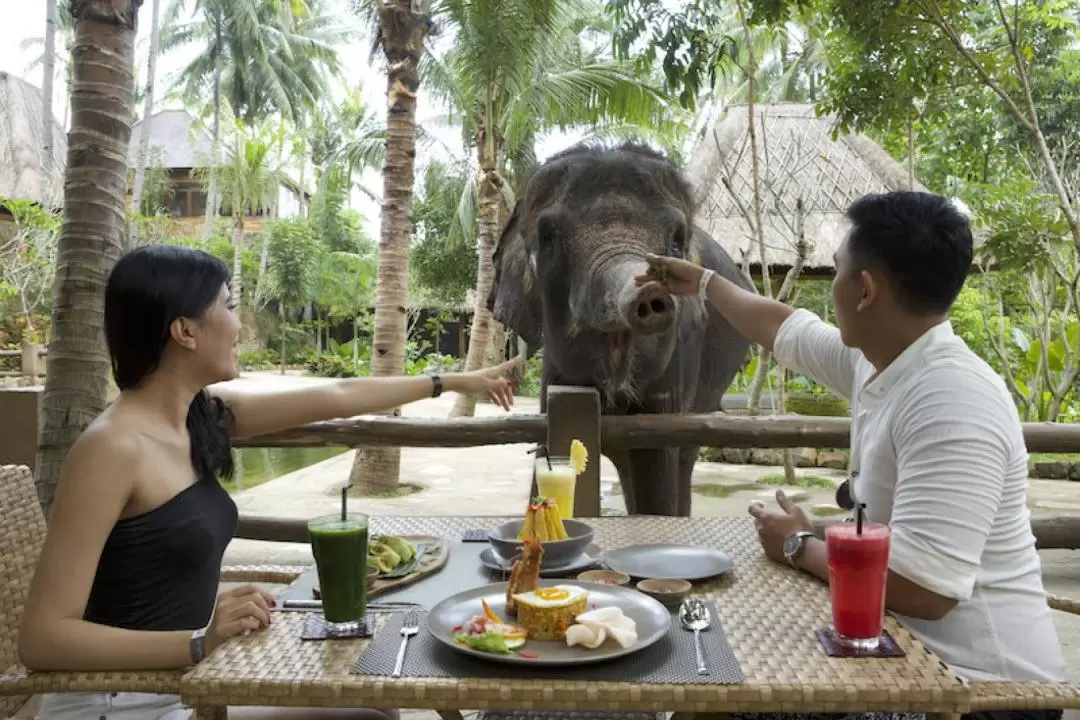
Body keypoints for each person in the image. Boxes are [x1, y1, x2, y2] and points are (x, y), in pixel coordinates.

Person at [19, 244, 521, 720]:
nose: (239, 324)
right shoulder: (111, 449)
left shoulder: (197, 417)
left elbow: (339, 395)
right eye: (228, 305)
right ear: (185, 331)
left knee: (370, 698)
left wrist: (453, 381)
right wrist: (199, 640)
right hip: (122, 704)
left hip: (191, 688)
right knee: (366, 713)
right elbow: (42, 638)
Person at [639, 191, 1065, 719]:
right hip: (901, 655)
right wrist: (704, 283)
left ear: (864, 291)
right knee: (710, 695)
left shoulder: (953, 400)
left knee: (719, 702)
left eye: (838, 269)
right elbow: (782, 327)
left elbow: (926, 589)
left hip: (981, 692)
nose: (832, 284)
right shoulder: (883, 360)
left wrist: (797, 544)